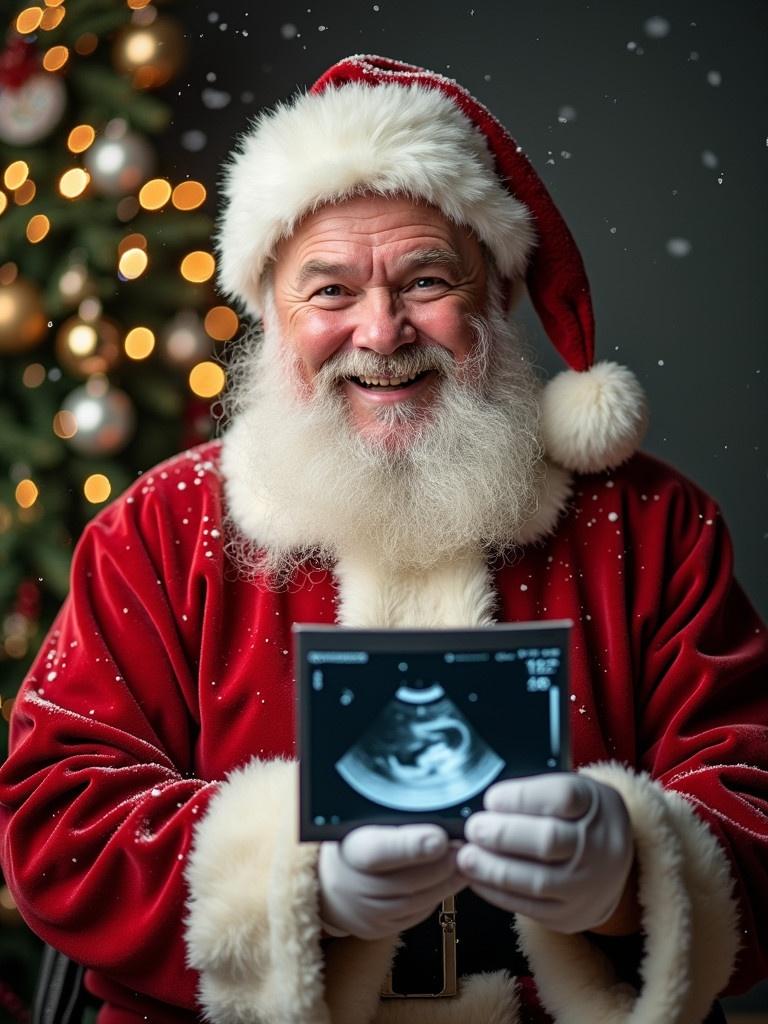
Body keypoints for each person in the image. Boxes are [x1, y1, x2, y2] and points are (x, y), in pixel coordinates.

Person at [0, 54, 766, 1024]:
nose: (381, 330)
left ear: (496, 296)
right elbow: (56, 814)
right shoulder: (157, 533)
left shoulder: (654, 525)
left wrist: (634, 865)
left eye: (426, 279)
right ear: (272, 314)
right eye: (329, 291)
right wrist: (291, 881)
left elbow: (758, 785)